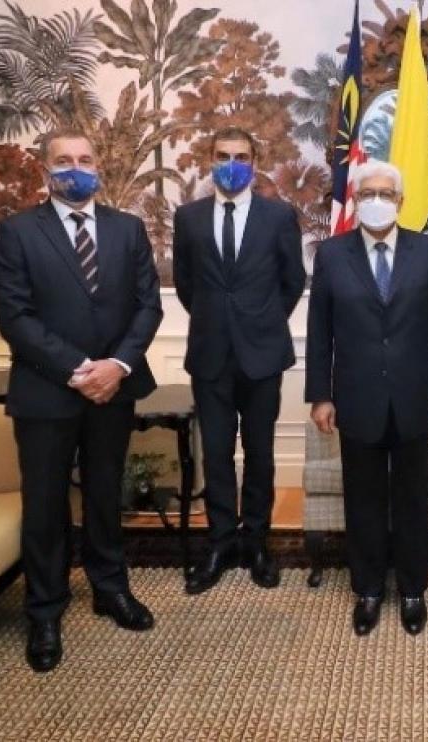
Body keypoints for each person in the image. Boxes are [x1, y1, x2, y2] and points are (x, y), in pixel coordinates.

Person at [0, 127, 163, 672]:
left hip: (115, 388)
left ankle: (111, 588)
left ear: (99, 168)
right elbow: (13, 316)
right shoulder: (17, 233)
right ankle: (44, 609)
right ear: (45, 170)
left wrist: (117, 366)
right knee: (44, 504)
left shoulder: (129, 230)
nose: (75, 168)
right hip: (46, 392)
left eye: (85, 159)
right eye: (63, 160)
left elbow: (148, 308)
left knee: (107, 494)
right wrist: (76, 369)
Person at [305, 160, 428, 637]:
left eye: (385, 193)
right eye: (367, 192)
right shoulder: (332, 255)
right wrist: (320, 395)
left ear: (401, 201)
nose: (376, 199)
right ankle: (369, 589)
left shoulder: (426, 252)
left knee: (413, 497)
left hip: (416, 394)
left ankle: (413, 590)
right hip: (356, 396)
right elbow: (320, 332)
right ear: (354, 201)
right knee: (365, 499)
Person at [173, 127, 305, 595]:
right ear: (208, 159)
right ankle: (220, 542)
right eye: (223, 155)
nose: (232, 163)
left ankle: (257, 542)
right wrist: (219, 322)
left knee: (260, 454)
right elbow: (187, 285)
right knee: (216, 453)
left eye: (242, 156)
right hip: (210, 354)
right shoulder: (188, 218)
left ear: (256, 160)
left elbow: (293, 281)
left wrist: (260, 322)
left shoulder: (278, 216)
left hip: (262, 354)